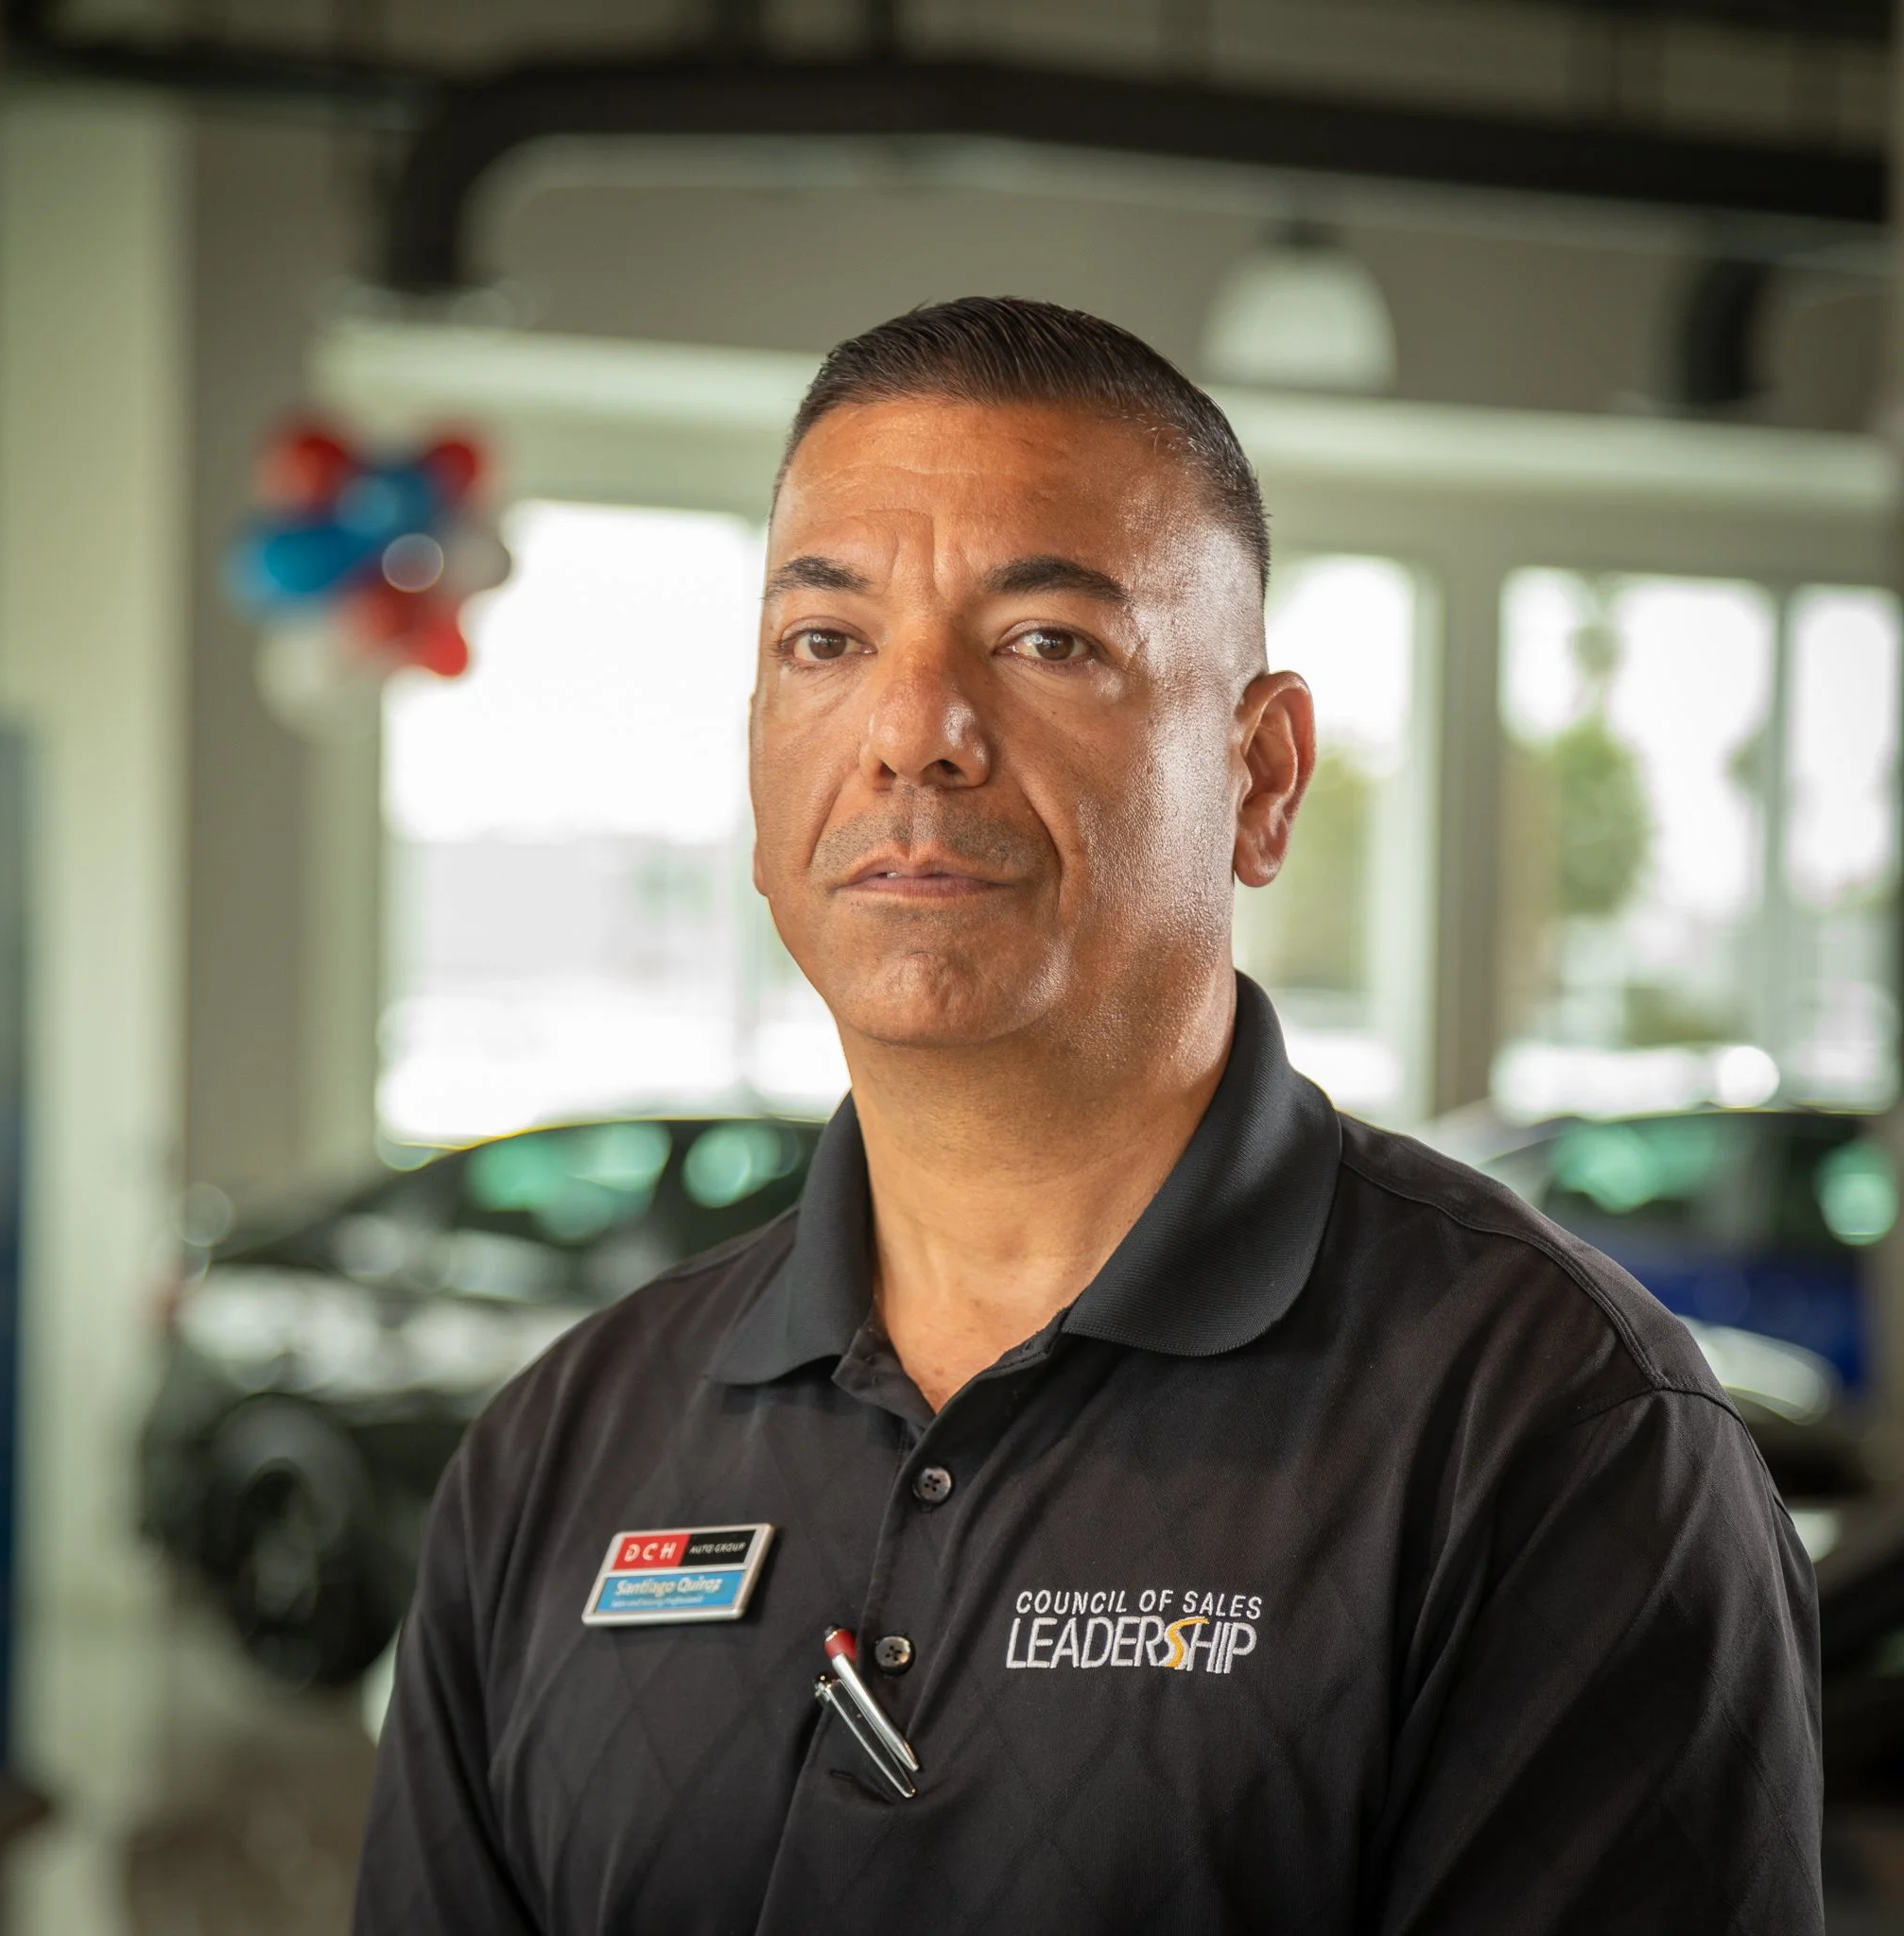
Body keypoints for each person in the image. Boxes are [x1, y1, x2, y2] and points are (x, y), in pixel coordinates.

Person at [354, 297, 1821, 1934]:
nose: (914, 731)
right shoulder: (560, 1451)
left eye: (1048, 641)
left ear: (1261, 777)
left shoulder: (1555, 1441)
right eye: (826, 644)